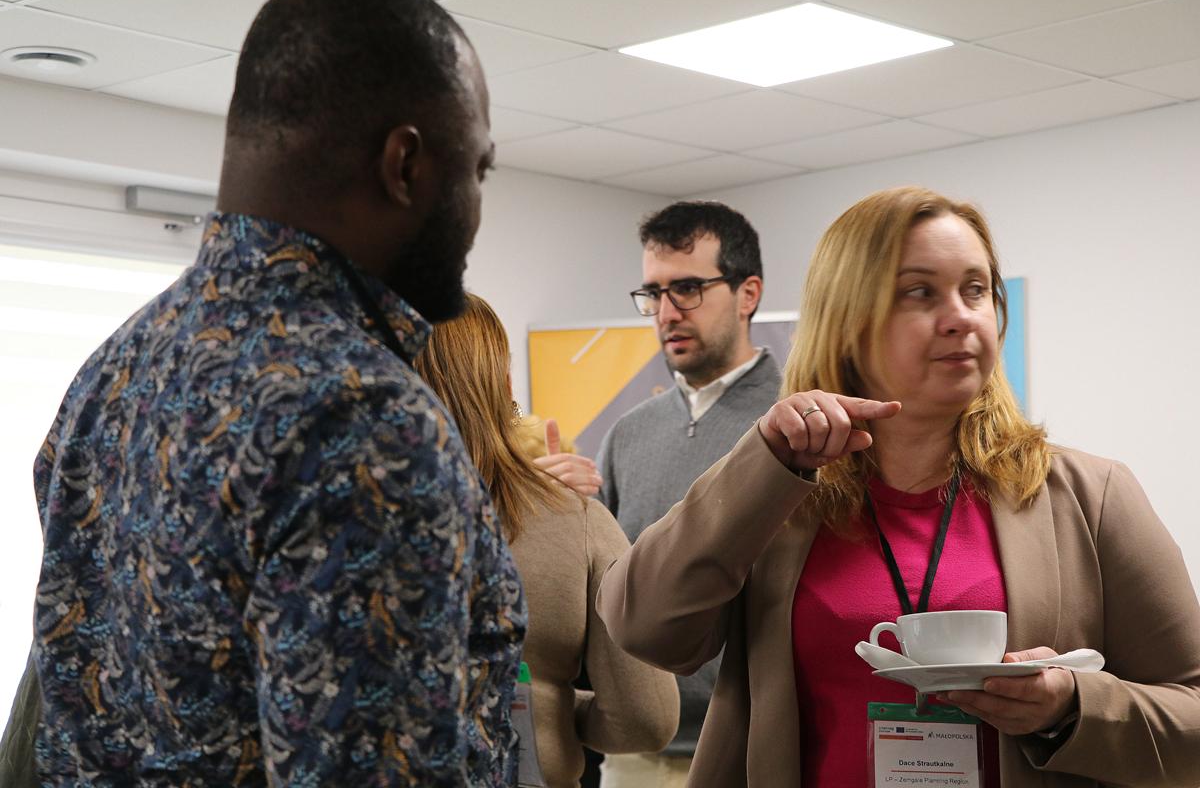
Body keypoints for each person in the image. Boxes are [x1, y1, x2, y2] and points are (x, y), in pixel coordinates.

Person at [25, 0, 525, 784]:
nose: (476, 208)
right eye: (478, 169)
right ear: (404, 165)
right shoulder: (363, 419)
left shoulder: (113, 370)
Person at [597, 185, 1200, 787]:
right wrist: (761, 464)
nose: (961, 316)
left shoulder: (1089, 495)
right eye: (919, 292)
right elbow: (643, 628)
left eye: (976, 289)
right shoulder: (780, 495)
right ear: (847, 321)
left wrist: (1071, 707)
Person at [413, 294, 679, 788]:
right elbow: (647, 718)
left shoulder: (340, 522)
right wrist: (548, 708)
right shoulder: (576, 520)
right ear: (503, 384)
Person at [596, 201, 781, 786]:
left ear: (748, 294)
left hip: (752, 747)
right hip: (636, 752)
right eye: (654, 293)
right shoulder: (627, 434)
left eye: (688, 289)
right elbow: (608, 587)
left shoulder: (802, 424)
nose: (666, 312)